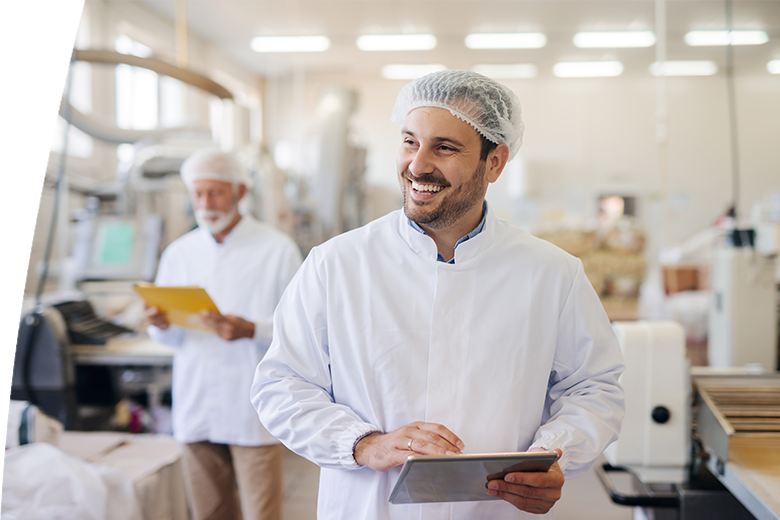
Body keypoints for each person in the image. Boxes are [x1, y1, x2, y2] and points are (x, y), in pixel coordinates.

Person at [250, 70, 625, 519]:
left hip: (494, 511)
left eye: (444, 147)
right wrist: (363, 444)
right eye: (410, 142)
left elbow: (594, 387)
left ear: (495, 161)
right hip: (369, 507)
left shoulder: (551, 272)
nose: (417, 164)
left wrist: (554, 455)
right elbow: (281, 384)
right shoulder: (337, 264)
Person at [146, 150, 302, 520]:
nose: (205, 203)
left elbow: (302, 332)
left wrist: (252, 329)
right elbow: (166, 340)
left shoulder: (277, 250)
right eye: (198, 194)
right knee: (208, 512)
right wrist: (160, 324)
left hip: (253, 408)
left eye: (215, 193)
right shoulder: (179, 253)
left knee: (261, 512)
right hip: (196, 403)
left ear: (240, 191)